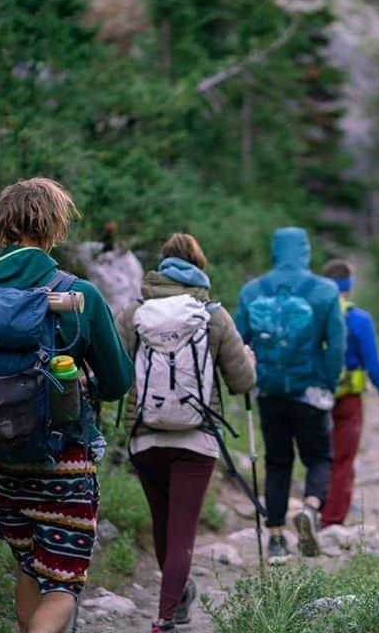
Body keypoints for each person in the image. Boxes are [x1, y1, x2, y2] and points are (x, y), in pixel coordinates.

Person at [0, 178, 133, 633]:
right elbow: (118, 382)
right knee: (62, 582)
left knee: (29, 566)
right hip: (62, 463)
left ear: (2, 226)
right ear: (55, 227)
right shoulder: (80, 295)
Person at [116, 233, 256, 633]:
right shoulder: (213, 315)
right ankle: (165, 617)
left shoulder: (132, 313)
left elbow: (113, 372)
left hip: (145, 436)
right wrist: (248, 359)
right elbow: (242, 383)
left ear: (160, 268)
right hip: (197, 439)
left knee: (163, 524)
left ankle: (176, 598)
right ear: (200, 269)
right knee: (182, 530)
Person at [234, 227, 345, 562]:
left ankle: (277, 539)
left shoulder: (253, 291)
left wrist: (249, 381)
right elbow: (336, 344)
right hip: (310, 390)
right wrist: (327, 380)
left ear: (275, 250)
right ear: (305, 251)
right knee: (319, 457)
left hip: (269, 392)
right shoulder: (325, 291)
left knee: (278, 463)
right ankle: (311, 508)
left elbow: (240, 342)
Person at [319, 259, 379, 528]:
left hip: (315, 396)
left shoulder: (314, 314)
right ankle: (332, 519)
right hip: (348, 398)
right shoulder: (359, 319)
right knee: (343, 458)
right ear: (349, 284)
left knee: (319, 455)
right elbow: (372, 363)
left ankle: (314, 505)